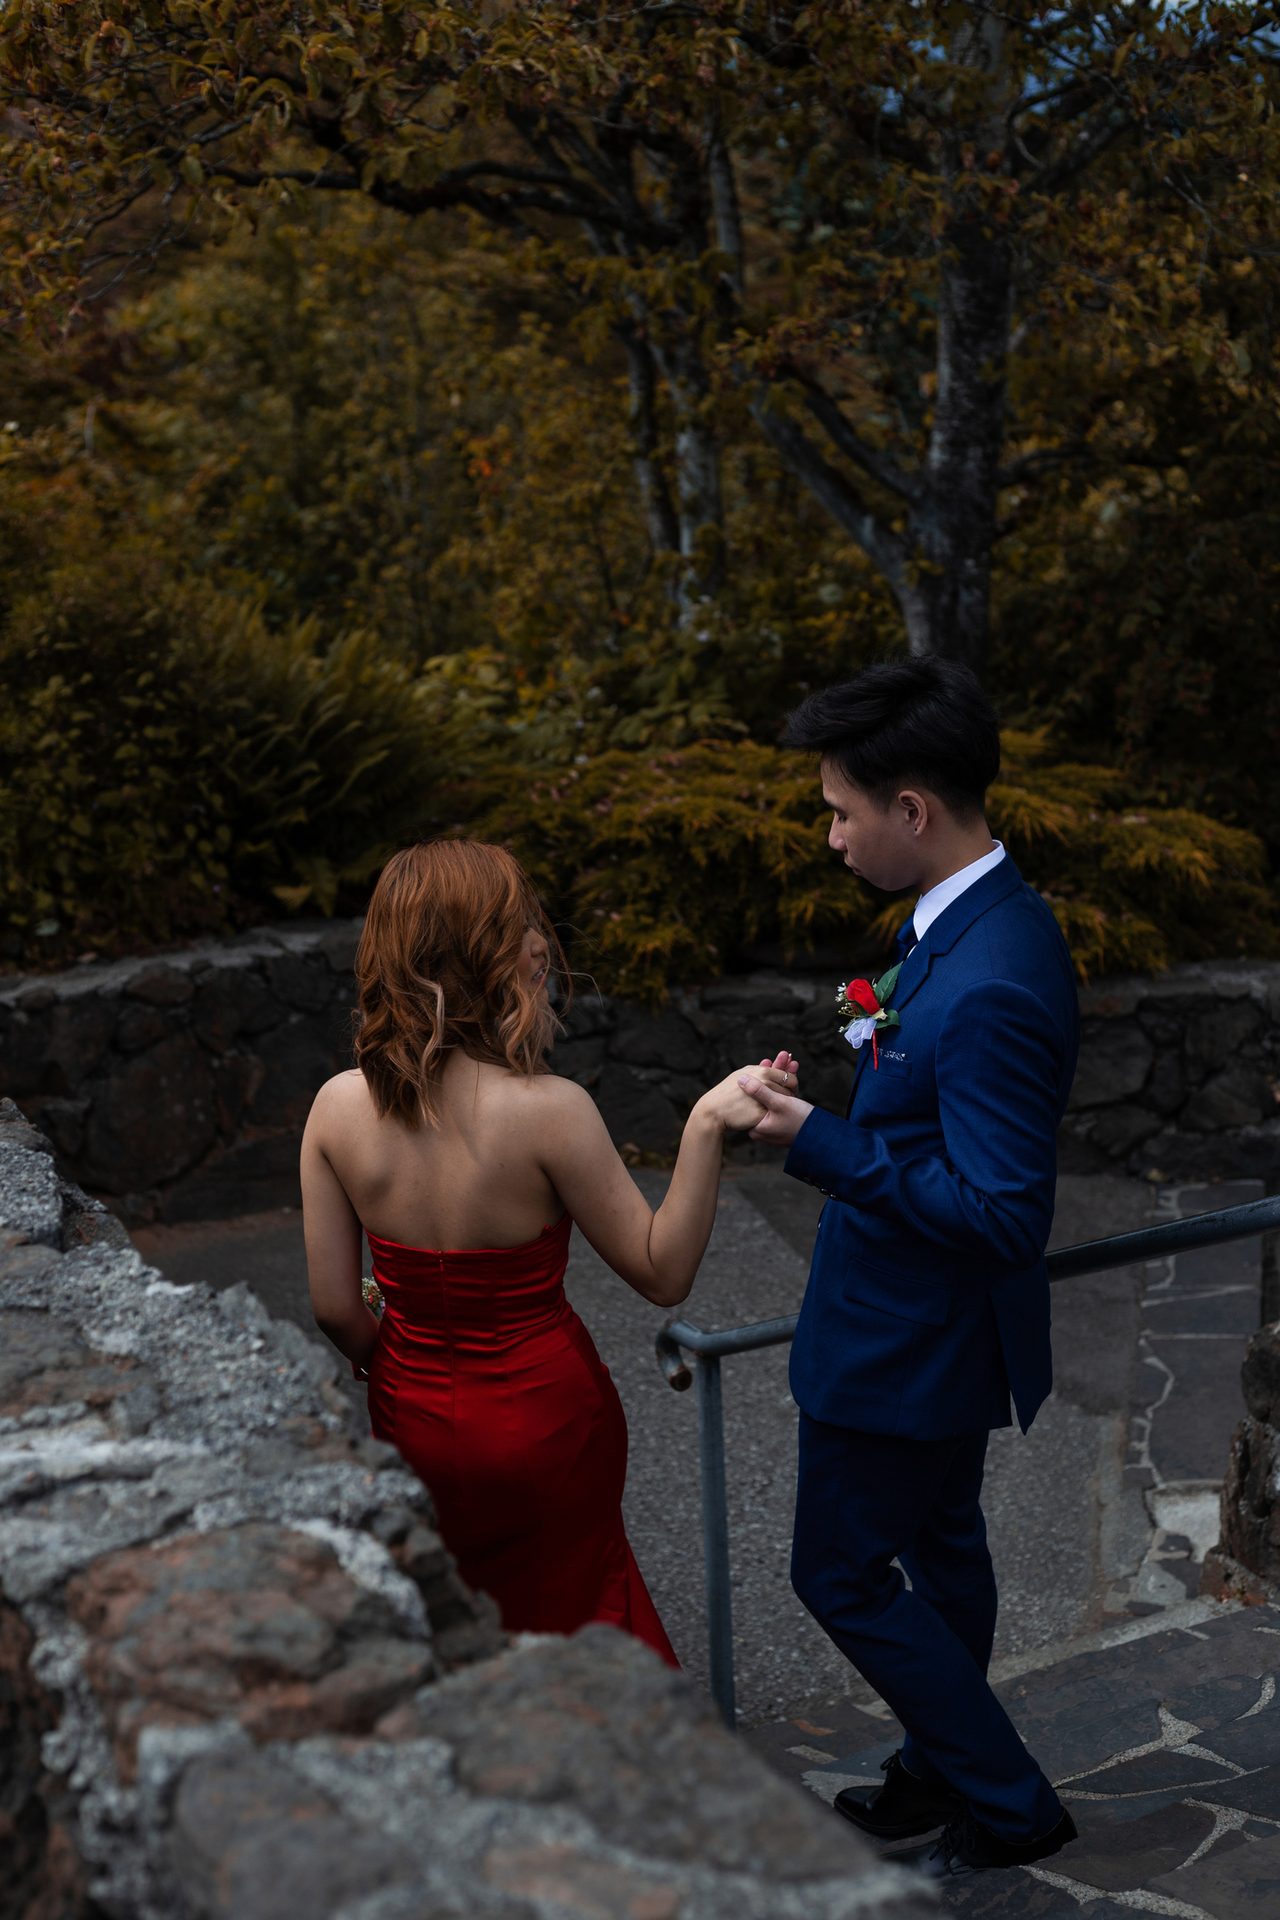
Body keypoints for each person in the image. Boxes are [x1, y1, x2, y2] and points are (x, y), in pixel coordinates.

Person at [737, 656, 1081, 1880]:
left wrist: (811, 1141)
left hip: (907, 1341)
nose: (829, 835)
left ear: (912, 812)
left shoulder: (990, 977)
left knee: (833, 1570)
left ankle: (1005, 1795)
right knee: (941, 1553)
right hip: (920, 1332)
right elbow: (928, 1112)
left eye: (839, 810)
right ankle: (939, 1769)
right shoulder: (967, 924)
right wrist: (839, 1105)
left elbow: (999, 1212)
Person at [300, 838, 791, 1663]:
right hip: (550, 1424)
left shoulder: (335, 1109)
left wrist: (397, 1361)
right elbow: (662, 1271)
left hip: (411, 1414)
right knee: (580, 1612)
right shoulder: (549, 1111)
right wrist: (707, 1125)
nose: (538, 943)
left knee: (460, 1626)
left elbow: (333, 1308)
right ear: (472, 954)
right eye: (519, 925)